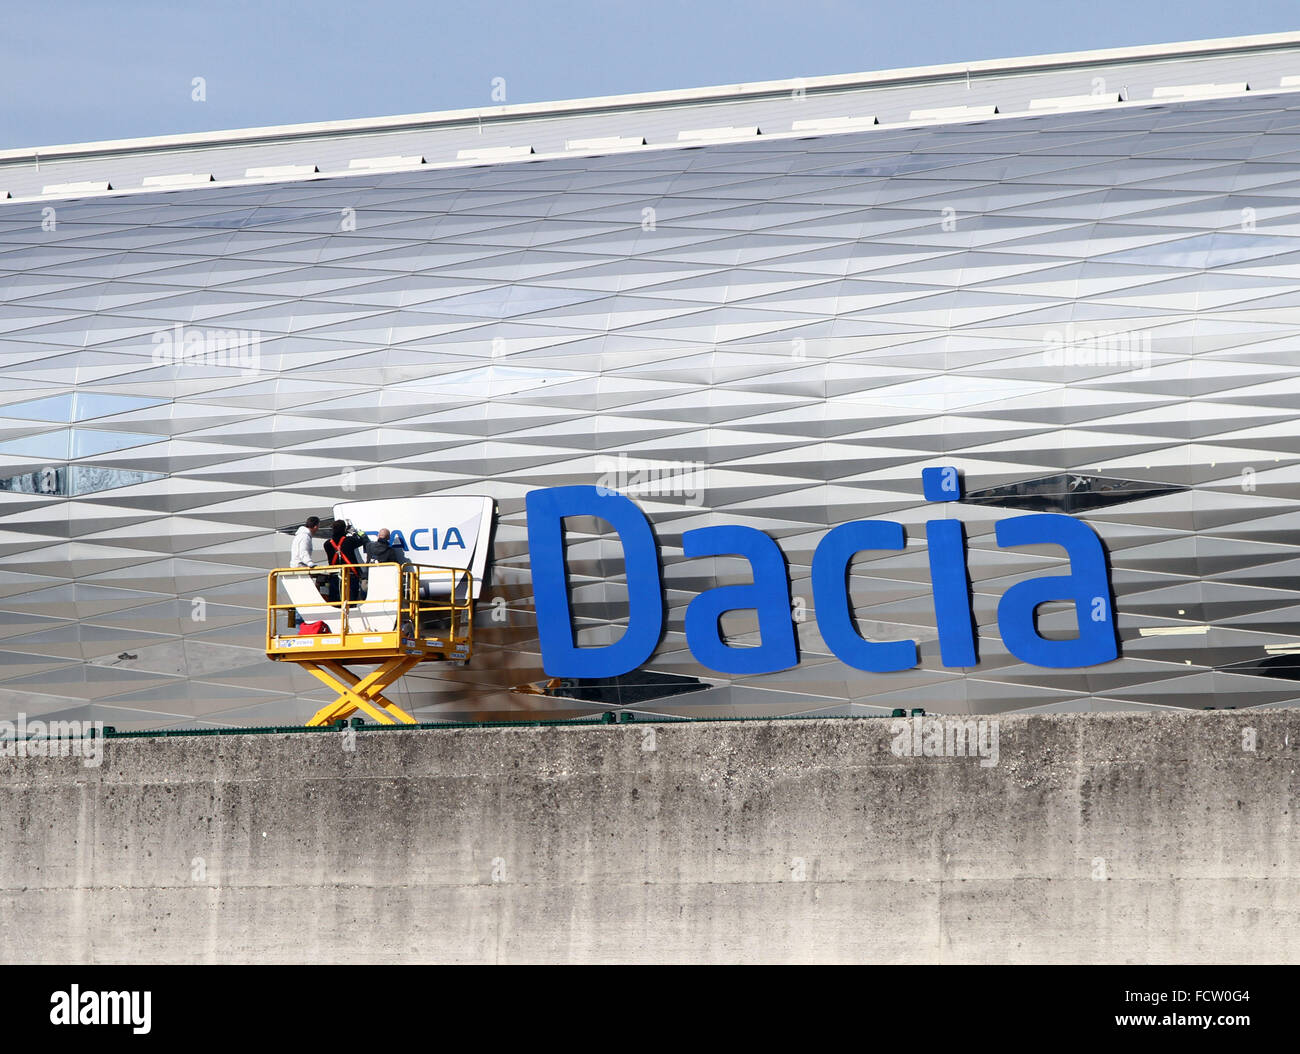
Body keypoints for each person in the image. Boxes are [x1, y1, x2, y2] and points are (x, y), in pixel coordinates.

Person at [288, 516, 321, 627]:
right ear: (315, 526)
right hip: (300, 568)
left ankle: (301, 624)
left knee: (300, 598)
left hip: (297, 568)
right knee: (303, 598)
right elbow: (303, 552)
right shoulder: (305, 537)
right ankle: (302, 624)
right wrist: (310, 563)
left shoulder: (301, 535)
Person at [324, 520, 365, 603]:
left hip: (334, 575)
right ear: (344, 529)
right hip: (350, 575)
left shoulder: (327, 544)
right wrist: (355, 532)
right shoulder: (350, 541)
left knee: (336, 601)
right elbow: (363, 539)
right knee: (351, 600)